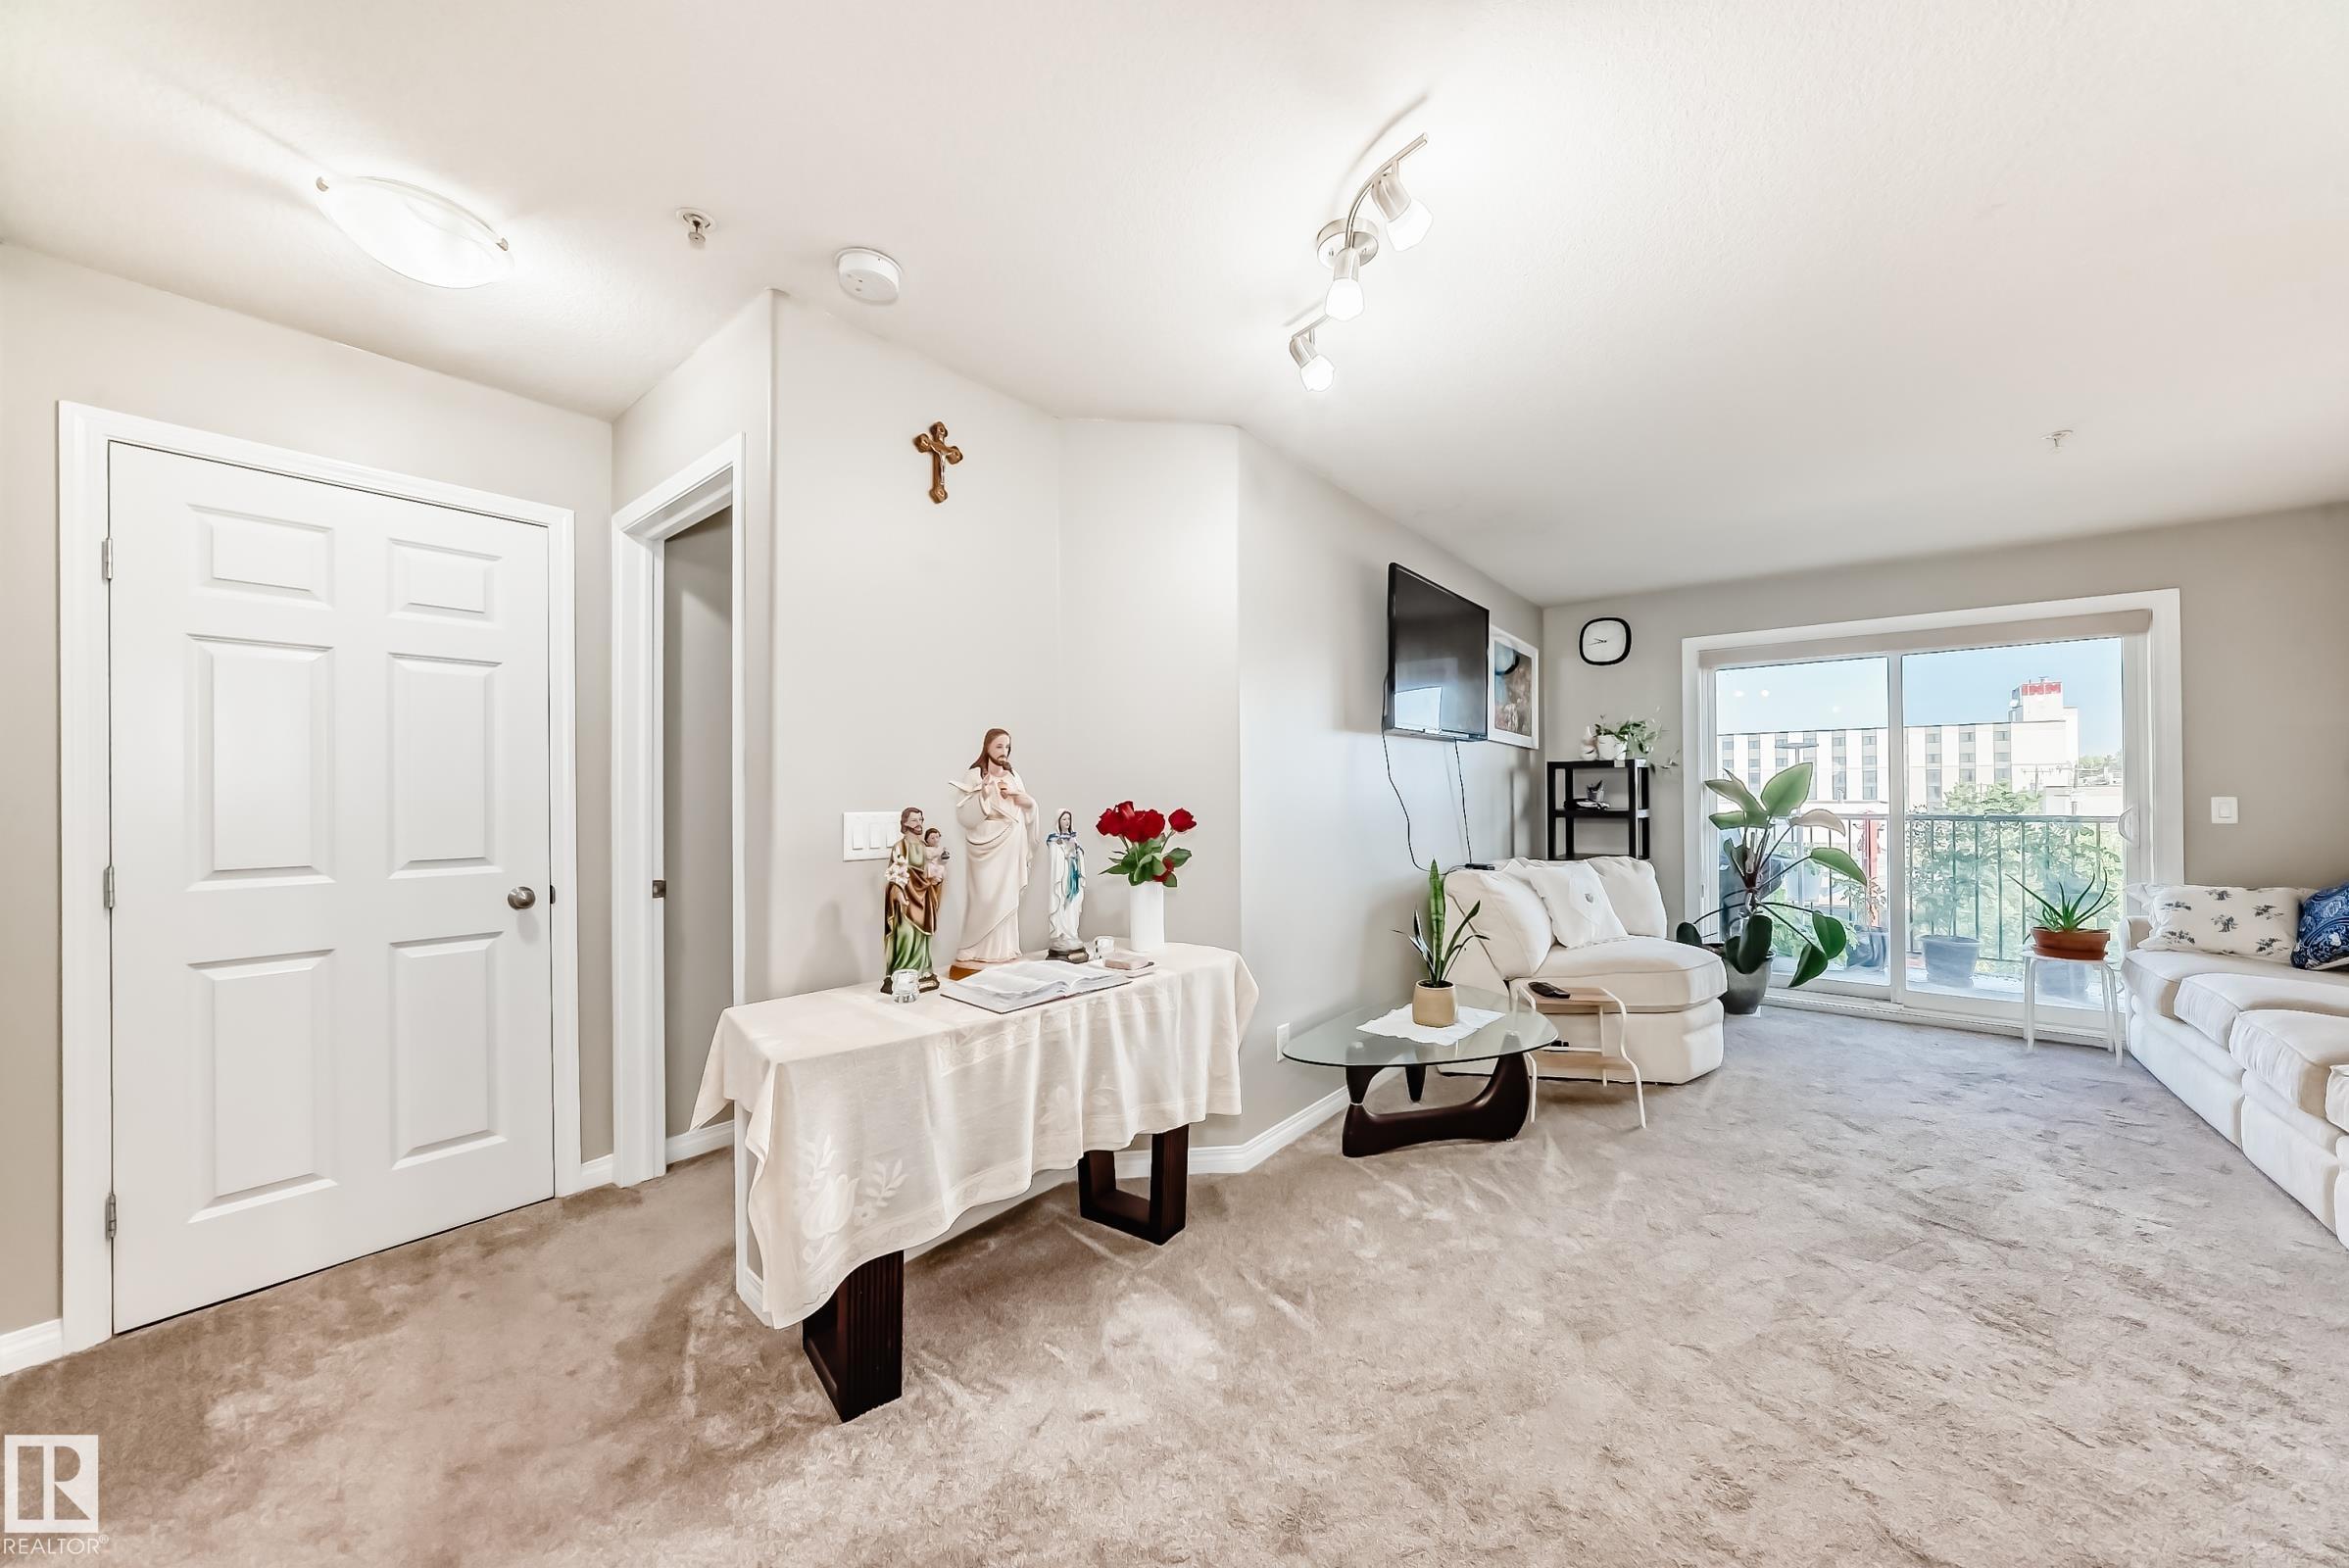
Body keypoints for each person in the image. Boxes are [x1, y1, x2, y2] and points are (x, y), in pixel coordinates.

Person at [948, 727, 1039, 966]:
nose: (1003, 751)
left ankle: (1005, 948)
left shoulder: (1014, 776)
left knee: (1007, 896)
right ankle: (972, 946)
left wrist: (1024, 800)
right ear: (987, 747)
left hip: (1011, 840)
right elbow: (964, 816)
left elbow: (1028, 806)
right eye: (999, 746)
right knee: (983, 896)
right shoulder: (974, 776)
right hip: (985, 842)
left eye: (1007, 747)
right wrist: (984, 796)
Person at [882, 807, 943, 989]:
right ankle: (901, 973)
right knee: (906, 935)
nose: (919, 824)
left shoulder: (924, 846)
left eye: (921, 820)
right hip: (907, 899)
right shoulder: (900, 846)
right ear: (905, 823)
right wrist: (898, 892)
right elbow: (895, 874)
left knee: (922, 938)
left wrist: (936, 878)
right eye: (915, 820)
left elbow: (930, 869)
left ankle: (923, 972)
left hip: (924, 898)